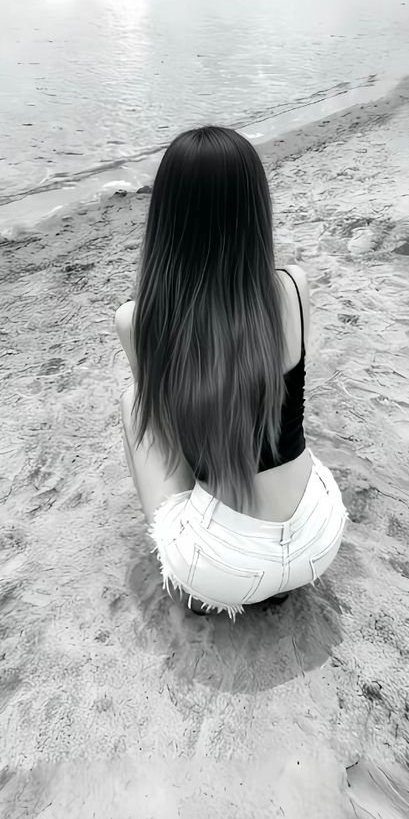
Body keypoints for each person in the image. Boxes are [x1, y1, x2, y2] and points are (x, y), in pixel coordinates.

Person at [115, 125, 347, 619]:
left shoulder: (138, 320)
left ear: (166, 214)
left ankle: (200, 574)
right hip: (318, 538)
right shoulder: (292, 286)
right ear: (255, 208)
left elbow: (169, 437)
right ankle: (271, 569)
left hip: (222, 568)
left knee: (136, 402)